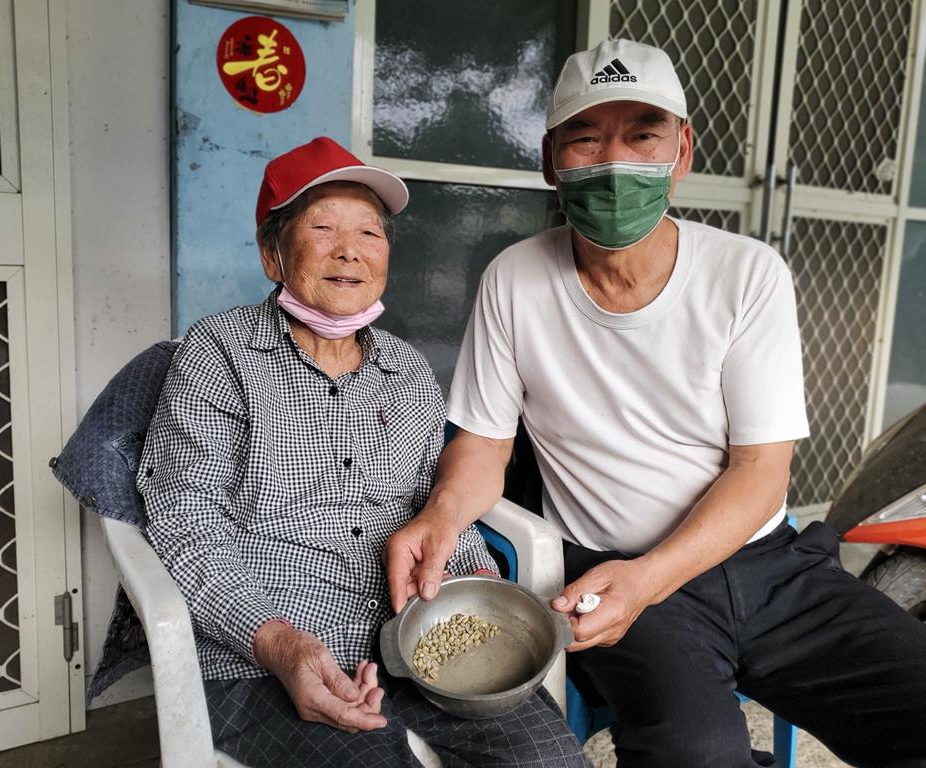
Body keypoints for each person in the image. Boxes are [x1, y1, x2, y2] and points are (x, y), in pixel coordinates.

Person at [386, 40, 926, 768]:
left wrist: (653, 577)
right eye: (586, 138)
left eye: (643, 135)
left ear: (682, 151)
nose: (615, 163)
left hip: (768, 566)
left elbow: (761, 471)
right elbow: (485, 443)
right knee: (693, 752)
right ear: (549, 160)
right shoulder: (514, 280)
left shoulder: (746, 274)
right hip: (612, 573)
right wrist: (442, 515)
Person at [138, 137, 589, 768]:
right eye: (322, 228)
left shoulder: (407, 370)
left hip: (418, 634)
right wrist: (279, 643)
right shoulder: (218, 354)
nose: (350, 250)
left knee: (549, 759)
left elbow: (439, 508)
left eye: (370, 233)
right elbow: (185, 524)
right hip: (268, 650)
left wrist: (476, 585)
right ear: (272, 255)